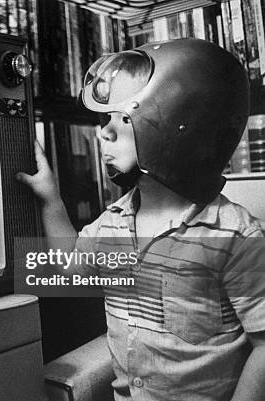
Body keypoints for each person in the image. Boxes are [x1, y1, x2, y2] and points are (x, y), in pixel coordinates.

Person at [17, 38, 265, 400]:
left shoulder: (235, 235)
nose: (103, 131)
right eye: (105, 118)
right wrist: (51, 198)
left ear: (181, 122)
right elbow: (68, 270)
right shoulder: (111, 223)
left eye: (123, 117)